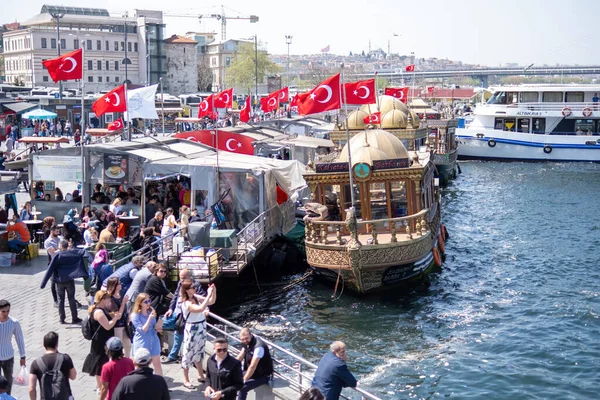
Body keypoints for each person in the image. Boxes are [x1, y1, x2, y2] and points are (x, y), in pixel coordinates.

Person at [162, 270, 212, 364]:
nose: (181, 279)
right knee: (163, 325)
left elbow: (202, 298)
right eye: (180, 277)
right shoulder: (180, 283)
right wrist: (170, 309)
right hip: (176, 312)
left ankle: (173, 356)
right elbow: (175, 296)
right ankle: (173, 355)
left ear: (189, 276)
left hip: (185, 314)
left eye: (183, 277)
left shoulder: (195, 285)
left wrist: (207, 309)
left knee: (178, 334)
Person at [40, 239, 91, 324]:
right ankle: (74, 318)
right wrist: (92, 262)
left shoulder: (57, 255)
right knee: (71, 299)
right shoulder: (72, 253)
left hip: (59, 281)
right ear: (67, 246)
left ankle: (62, 318)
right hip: (70, 280)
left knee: (60, 300)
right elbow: (83, 252)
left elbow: (50, 269)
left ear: (60, 246)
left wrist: (43, 283)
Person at [82, 291, 123, 394]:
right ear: (102, 300)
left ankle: (102, 386)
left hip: (103, 339)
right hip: (100, 341)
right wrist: (115, 318)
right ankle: (100, 388)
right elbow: (108, 325)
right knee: (100, 364)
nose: (109, 301)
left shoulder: (101, 309)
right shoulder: (98, 312)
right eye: (108, 299)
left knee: (102, 362)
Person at [179, 279, 214, 389]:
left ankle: (200, 375)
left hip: (201, 326)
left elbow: (211, 301)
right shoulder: (185, 302)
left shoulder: (196, 297)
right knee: (188, 352)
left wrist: (213, 291)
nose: (195, 289)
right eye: (193, 287)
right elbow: (200, 308)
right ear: (187, 290)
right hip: (192, 328)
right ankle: (186, 379)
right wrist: (208, 294)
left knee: (199, 351)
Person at [28, 331, 76, 400]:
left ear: (44, 344)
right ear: (57, 344)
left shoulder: (36, 363)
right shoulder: (65, 358)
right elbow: (73, 376)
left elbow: (31, 388)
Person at [130, 293, 163, 376]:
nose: (148, 303)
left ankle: (160, 384)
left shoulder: (150, 312)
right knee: (140, 365)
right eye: (146, 302)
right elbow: (143, 330)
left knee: (157, 364)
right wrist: (149, 318)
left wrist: (159, 325)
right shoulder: (135, 315)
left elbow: (153, 326)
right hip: (142, 341)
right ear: (140, 303)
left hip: (153, 339)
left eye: (149, 301)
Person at [236, 328, 274, 400]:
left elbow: (252, 366)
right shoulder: (246, 343)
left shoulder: (258, 347)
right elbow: (240, 356)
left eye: (246, 338)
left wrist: (244, 380)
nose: (245, 341)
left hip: (262, 376)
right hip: (252, 373)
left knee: (242, 388)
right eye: (242, 339)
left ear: (251, 335)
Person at [0, 300, 25, 396]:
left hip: (8, 357)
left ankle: (7, 397)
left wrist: (23, 356)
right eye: (3, 311)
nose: (6, 314)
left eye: (8, 311)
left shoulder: (14, 322)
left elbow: (20, 339)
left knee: (8, 380)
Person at [105, 277, 131, 358]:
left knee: (128, 345)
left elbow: (125, 309)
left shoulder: (120, 294)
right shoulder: (110, 298)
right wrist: (123, 303)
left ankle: (127, 361)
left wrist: (128, 315)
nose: (121, 285)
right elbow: (117, 315)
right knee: (117, 345)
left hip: (124, 323)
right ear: (114, 286)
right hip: (117, 325)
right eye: (119, 283)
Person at [43, 224, 62, 307]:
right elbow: (52, 253)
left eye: (58, 231)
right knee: (53, 282)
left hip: (62, 262)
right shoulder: (48, 242)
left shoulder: (60, 238)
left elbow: (67, 247)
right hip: (53, 263)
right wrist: (62, 249)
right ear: (51, 231)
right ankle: (55, 300)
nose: (58, 232)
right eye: (56, 231)